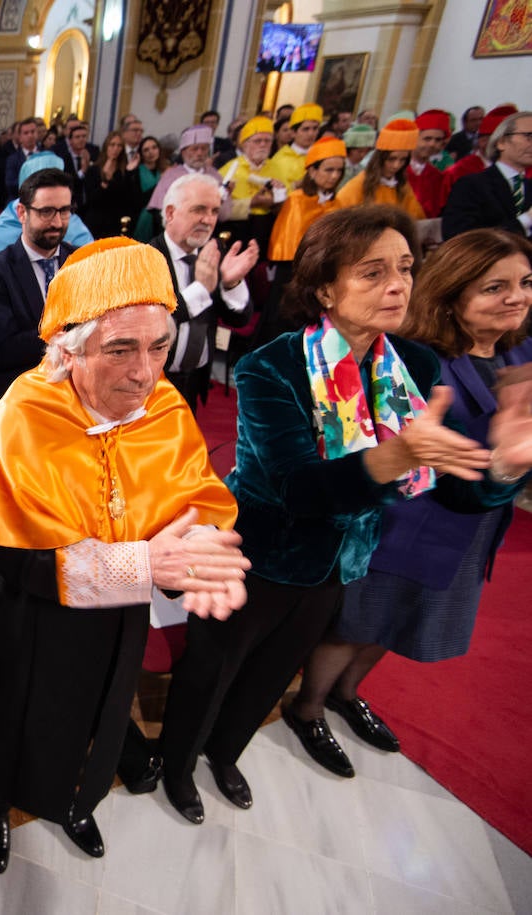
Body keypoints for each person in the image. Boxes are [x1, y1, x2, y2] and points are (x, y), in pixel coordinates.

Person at [157, 206, 531, 820]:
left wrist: (508, 466)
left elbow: (453, 490)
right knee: (213, 669)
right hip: (257, 554)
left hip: (344, 560)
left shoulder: (412, 364)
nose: (398, 286)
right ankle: (178, 766)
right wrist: (392, 459)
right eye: (373, 272)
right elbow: (297, 490)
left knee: (272, 674)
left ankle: (224, 754)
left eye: (406, 269)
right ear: (326, 287)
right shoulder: (271, 366)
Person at [0, 236, 246, 867]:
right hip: (31, 620)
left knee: (103, 711)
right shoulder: (21, 419)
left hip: (119, 618)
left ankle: (75, 803)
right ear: (68, 350)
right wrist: (141, 566)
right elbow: (18, 561)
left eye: (159, 346)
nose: (146, 372)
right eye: (121, 350)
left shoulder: (163, 405)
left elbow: (190, 498)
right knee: (8, 719)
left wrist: (198, 555)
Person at [290, 229, 532, 773]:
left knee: (404, 622)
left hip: (471, 526)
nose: (516, 297)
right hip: (411, 520)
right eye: (495, 288)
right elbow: (415, 463)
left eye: (525, 283)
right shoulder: (424, 364)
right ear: (452, 296)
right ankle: (307, 708)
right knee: (358, 623)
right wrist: (504, 461)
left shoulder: (519, 352)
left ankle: (346, 695)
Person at [0, 168, 77, 426]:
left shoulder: (83, 262)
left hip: (74, 400)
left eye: (64, 211)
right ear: (22, 213)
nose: (57, 222)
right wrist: (75, 333)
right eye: (46, 211)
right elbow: (5, 349)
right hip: (12, 402)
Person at [151, 174, 258, 411]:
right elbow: (155, 321)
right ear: (170, 213)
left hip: (194, 382)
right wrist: (201, 289)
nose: (208, 220)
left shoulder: (214, 252)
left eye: (214, 211)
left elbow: (239, 319)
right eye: (199, 209)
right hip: (152, 385)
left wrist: (231, 283)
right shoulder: (146, 257)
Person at [0, 155, 95, 265]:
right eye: (46, 211)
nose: (57, 222)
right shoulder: (5, 226)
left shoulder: (73, 223)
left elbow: (91, 265)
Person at [443, 110, 532, 240]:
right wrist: (525, 220)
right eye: (528, 136)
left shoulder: (529, 186)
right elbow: (460, 237)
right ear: (501, 142)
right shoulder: (471, 185)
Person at [268, 138, 347, 264]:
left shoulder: (338, 203)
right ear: (312, 171)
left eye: (339, 170)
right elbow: (288, 247)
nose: (335, 176)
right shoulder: (296, 200)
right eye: (329, 170)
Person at [335, 119, 427, 220]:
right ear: (380, 158)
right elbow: (340, 216)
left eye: (402, 160)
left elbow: (416, 217)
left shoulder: (402, 186)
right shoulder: (358, 185)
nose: (396, 165)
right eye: (391, 159)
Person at [83, 132, 141, 239]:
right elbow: (91, 199)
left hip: (116, 223)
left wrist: (129, 173)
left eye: (119, 146)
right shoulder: (94, 170)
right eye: (112, 145)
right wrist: (105, 181)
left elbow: (128, 198)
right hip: (96, 222)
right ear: (106, 147)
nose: (116, 148)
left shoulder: (123, 172)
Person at [268, 103, 324, 188]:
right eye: (306, 129)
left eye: (315, 128)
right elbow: (277, 192)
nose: (311, 134)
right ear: (293, 133)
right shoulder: (281, 159)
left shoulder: (322, 155)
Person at [408, 110, 451, 218]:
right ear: (414, 137)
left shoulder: (437, 176)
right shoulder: (396, 169)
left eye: (438, 140)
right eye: (427, 139)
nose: (432, 144)